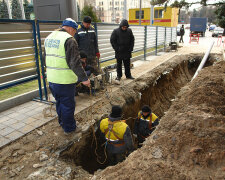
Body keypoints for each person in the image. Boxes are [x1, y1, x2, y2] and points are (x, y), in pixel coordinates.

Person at [44, 18, 90, 134]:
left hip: (52, 79)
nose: (75, 33)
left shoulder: (49, 37)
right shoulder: (69, 40)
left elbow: (45, 58)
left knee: (60, 102)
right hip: (64, 80)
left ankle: (62, 122)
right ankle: (70, 129)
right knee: (68, 105)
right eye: (75, 31)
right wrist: (84, 78)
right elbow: (74, 62)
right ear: (70, 28)